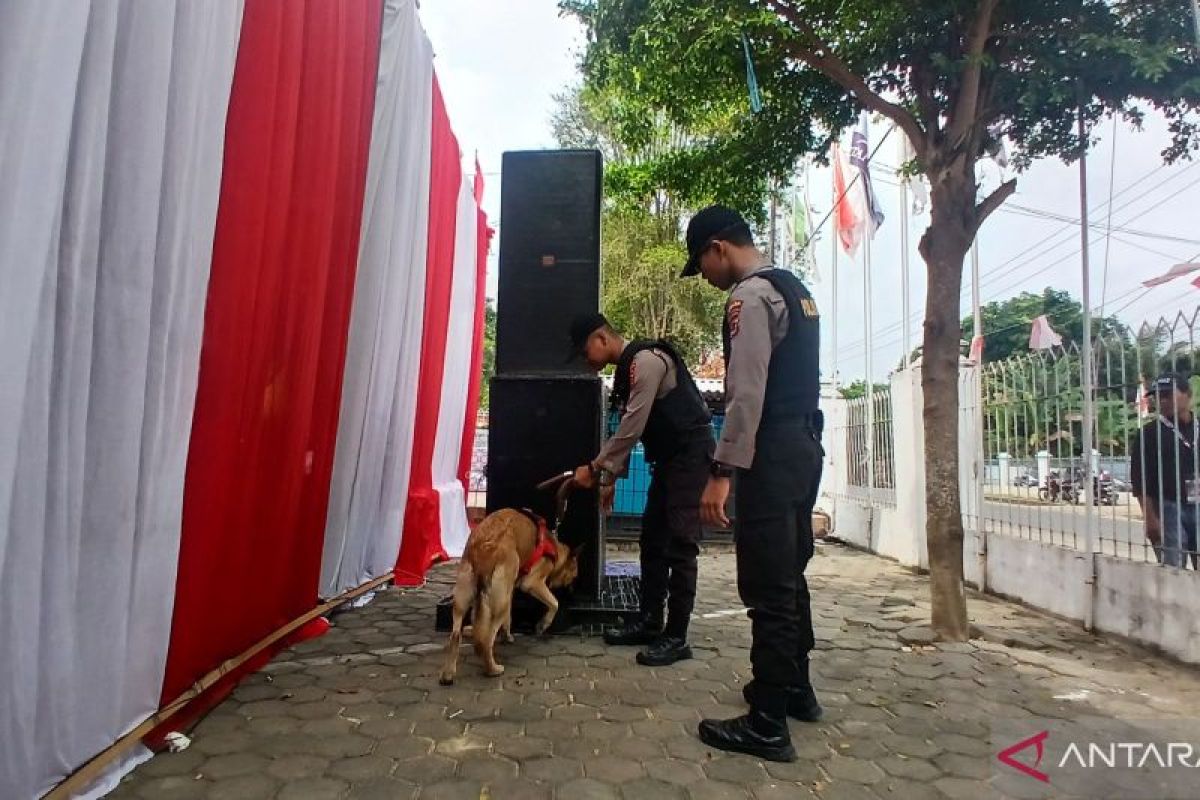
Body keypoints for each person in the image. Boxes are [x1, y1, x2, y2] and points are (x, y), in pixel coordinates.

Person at [680, 205, 823, 763]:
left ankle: (767, 722)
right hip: (805, 448)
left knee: (766, 585)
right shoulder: (796, 289)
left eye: (703, 264)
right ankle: (796, 691)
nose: (708, 278)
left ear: (718, 248)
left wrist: (721, 472)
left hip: (769, 453)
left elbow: (746, 393)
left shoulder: (749, 296)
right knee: (790, 576)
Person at [567, 313, 716, 666]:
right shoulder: (626, 371)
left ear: (601, 338)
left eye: (584, 349)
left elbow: (633, 426)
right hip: (669, 461)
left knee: (680, 545)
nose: (584, 359)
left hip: (691, 457)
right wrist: (612, 478)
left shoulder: (646, 361)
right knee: (652, 541)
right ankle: (651, 621)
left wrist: (595, 468)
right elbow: (637, 427)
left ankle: (677, 637)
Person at [1132, 373, 1199, 569]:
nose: (1163, 401)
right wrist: (1150, 517)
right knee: (1173, 567)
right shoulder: (1150, 433)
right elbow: (1140, 478)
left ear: (1188, 395)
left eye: (1168, 395)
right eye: (1159, 397)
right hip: (1168, 507)